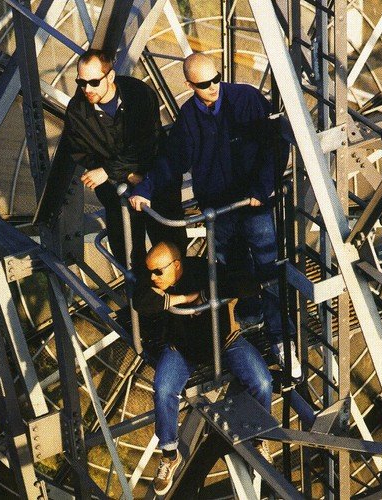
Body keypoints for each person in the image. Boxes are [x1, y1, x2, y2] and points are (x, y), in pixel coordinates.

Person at [130, 53, 302, 381]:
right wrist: (146, 189)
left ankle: (281, 338)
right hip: (219, 212)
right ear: (189, 85)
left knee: (268, 270)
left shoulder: (246, 100)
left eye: (216, 79)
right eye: (204, 84)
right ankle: (246, 320)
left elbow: (274, 146)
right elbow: (172, 160)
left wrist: (262, 188)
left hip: (252, 205)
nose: (213, 87)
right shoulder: (190, 117)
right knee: (229, 271)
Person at [133, 241, 273, 496]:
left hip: (225, 343)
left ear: (176, 265)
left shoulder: (203, 270)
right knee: (163, 390)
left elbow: (247, 285)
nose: (152, 278)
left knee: (262, 382)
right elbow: (140, 301)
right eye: (150, 272)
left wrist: (209, 294)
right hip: (183, 350)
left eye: (158, 272)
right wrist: (186, 299)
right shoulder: (157, 281)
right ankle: (169, 454)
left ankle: (259, 437)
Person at [63, 49, 186, 267]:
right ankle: (140, 285)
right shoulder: (77, 111)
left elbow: (146, 145)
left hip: (155, 182)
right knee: (128, 256)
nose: (87, 89)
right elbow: (82, 153)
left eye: (93, 82)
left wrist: (108, 171)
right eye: (81, 82)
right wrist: (128, 174)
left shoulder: (139, 94)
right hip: (117, 194)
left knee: (171, 250)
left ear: (110, 76)